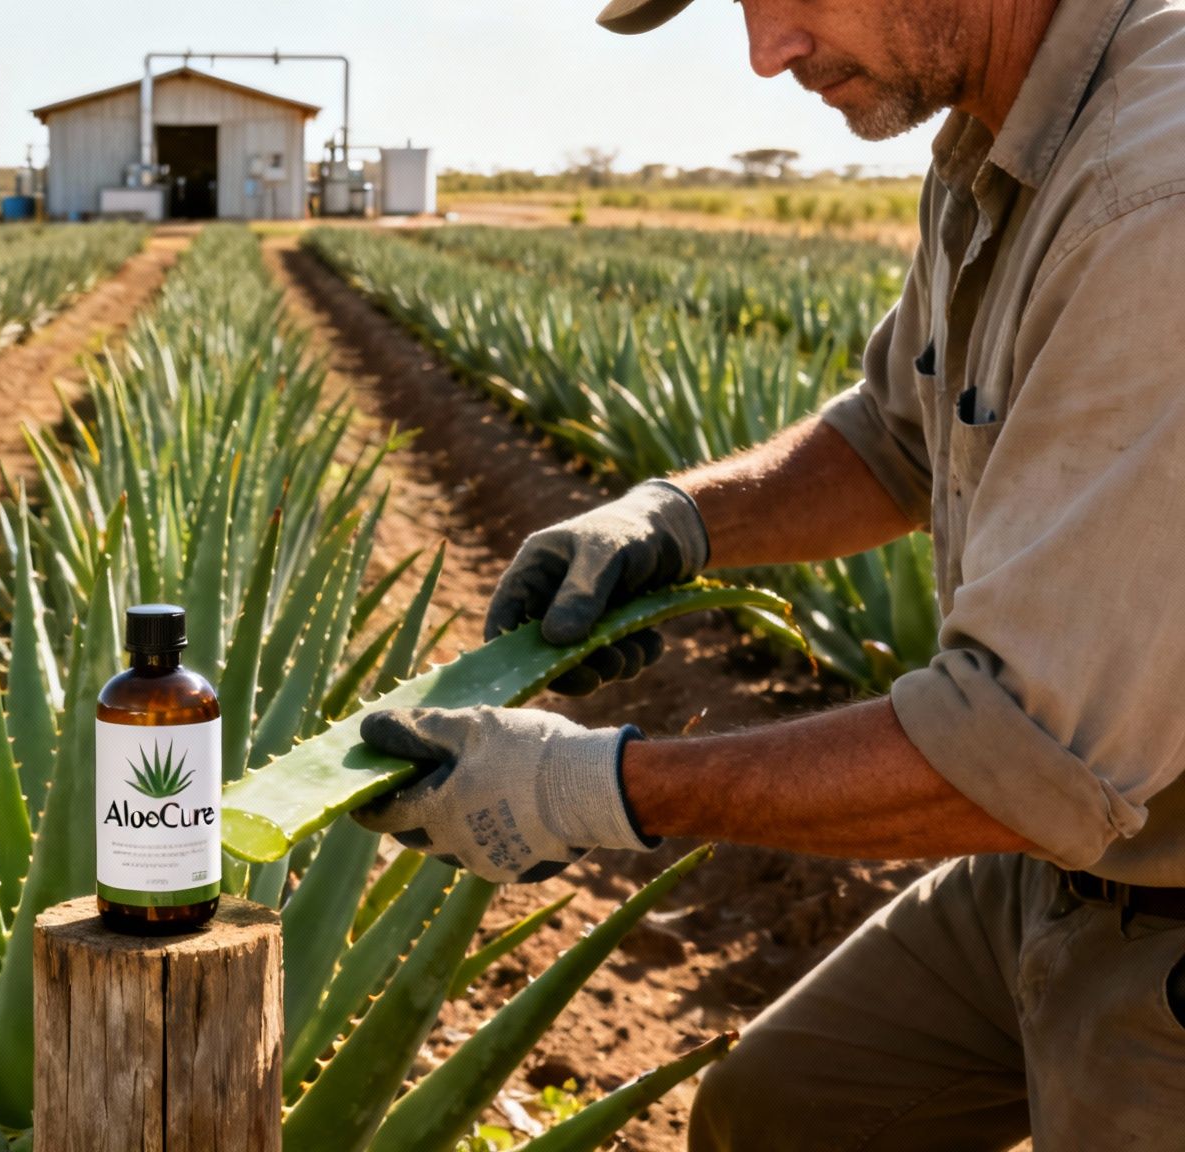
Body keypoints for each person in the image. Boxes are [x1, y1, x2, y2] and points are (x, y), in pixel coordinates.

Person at [351, 0, 1185, 1146]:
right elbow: (894, 433)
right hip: (1060, 865)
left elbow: (1023, 750)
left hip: (1151, 891)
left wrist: (595, 792)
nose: (765, 53)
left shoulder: (1154, 194)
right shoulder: (989, 135)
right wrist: (677, 519)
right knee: (778, 1117)